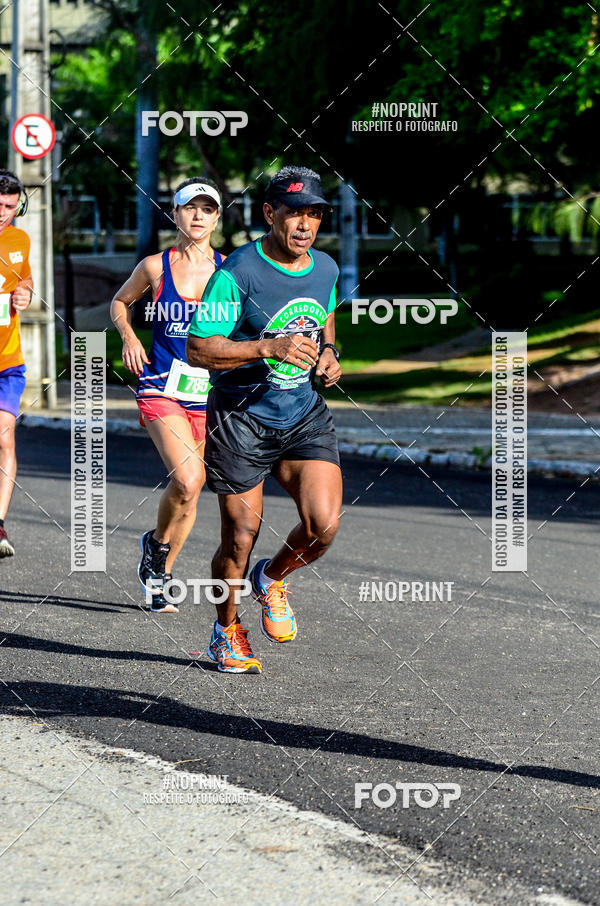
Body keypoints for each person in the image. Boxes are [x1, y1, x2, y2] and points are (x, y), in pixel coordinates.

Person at [187, 165, 342, 673]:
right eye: (294, 212)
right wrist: (266, 346)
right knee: (239, 536)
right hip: (241, 419)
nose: (305, 224)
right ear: (270, 213)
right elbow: (199, 348)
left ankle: (272, 578)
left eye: (314, 214)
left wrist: (329, 352)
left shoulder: (325, 268)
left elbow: (325, 314)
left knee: (323, 526)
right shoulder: (238, 273)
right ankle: (225, 630)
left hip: (301, 414)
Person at [110, 177, 225, 612]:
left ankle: (159, 570)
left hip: (208, 395)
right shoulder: (155, 267)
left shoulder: (228, 270)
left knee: (192, 492)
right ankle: (157, 547)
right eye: (189, 208)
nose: (198, 216)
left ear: (217, 217)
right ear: (174, 214)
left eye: (207, 209)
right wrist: (129, 336)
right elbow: (120, 302)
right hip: (161, 387)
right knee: (188, 478)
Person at [0, 169, 33, 558]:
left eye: (10, 206)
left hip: (9, 362)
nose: (3, 213)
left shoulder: (20, 238)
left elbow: (24, 279)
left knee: (4, 435)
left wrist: (24, 292)